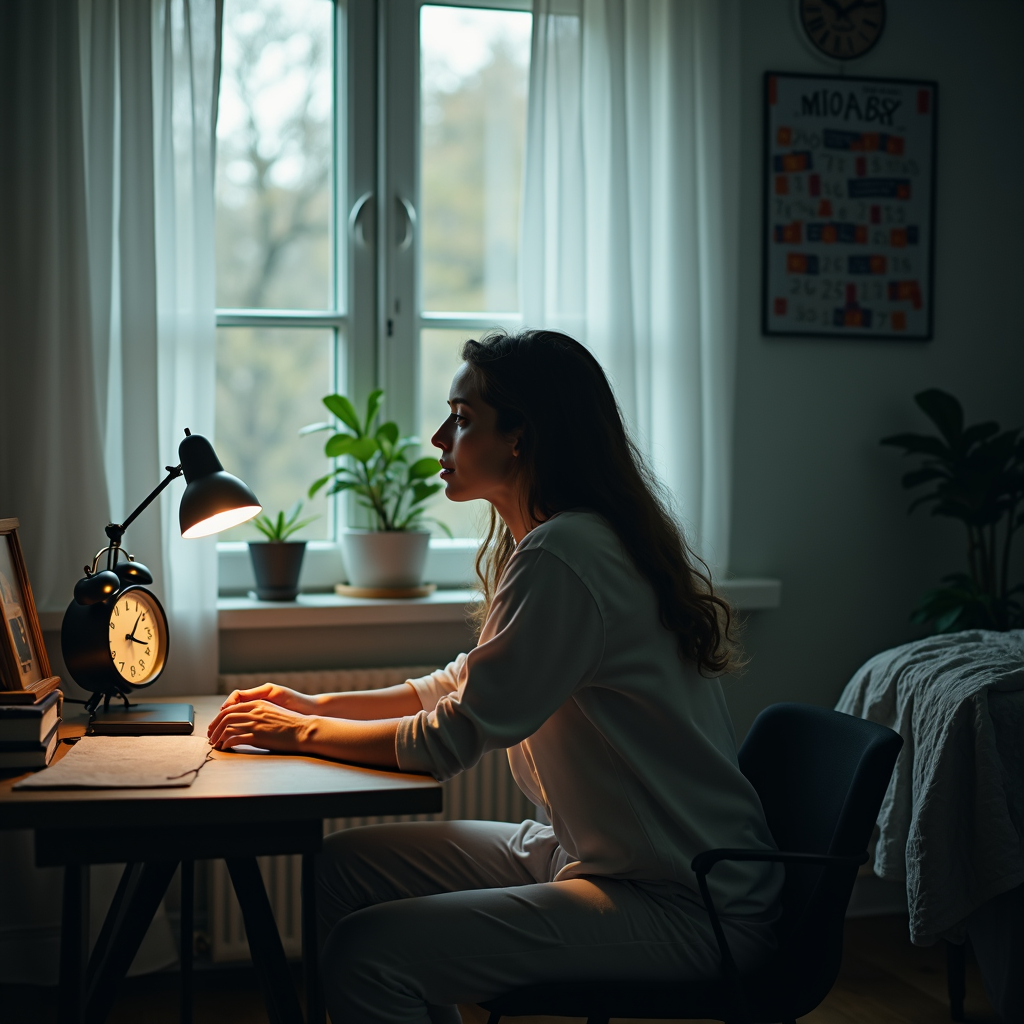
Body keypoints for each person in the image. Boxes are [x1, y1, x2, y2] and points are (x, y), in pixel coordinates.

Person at [208, 329, 782, 1024]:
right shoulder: (560, 540)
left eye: (462, 418)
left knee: (369, 951)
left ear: (521, 437)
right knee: (341, 868)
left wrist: (297, 731)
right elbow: (456, 687)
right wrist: (317, 703)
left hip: (683, 900)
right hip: (586, 855)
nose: (438, 437)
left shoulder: (567, 552)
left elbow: (446, 739)